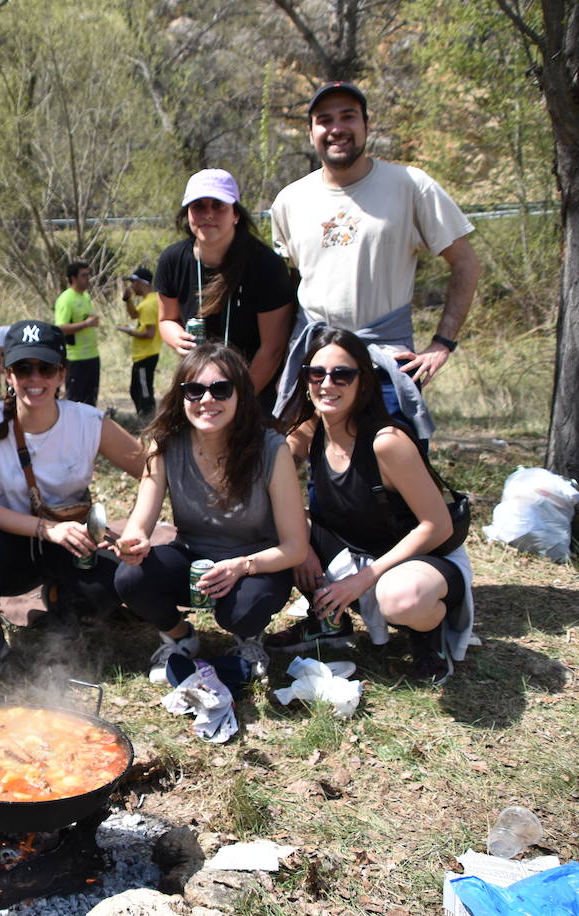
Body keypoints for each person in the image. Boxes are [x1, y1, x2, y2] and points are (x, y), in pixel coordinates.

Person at [270, 82, 482, 437]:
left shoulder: (411, 185)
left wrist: (441, 344)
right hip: (318, 368)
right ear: (311, 133)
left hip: (384, 361)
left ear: (366, 126)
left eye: (348, 117)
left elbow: (466, 264)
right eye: (324, 120)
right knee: (324, 479)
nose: (337, 128)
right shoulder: (289, 201)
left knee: (392, 474)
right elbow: (290, 285)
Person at [272, 328, 473, 684]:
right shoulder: (310, 430)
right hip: (352, 549)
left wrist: (364, 579)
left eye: (342, 374)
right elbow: (268, 482)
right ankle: (329, 623)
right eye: (316, 373)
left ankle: (429, 636)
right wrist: (299, 548)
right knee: (274, 523)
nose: (327, 383)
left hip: (416, 560)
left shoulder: (387, 442)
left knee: (401, 598)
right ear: (305, 380)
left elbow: (436, 525)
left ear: (363, 382)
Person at [0, 320, 144, 681]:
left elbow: (150, 470)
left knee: (115, 582)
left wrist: (137, 528)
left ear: (62, 374)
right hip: (10, 547)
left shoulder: (88, 422)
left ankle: (63, 614)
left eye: (46, 367)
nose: (34, 378)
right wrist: (47, 529)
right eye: (23, 368)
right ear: (8, 374)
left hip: (73, 541)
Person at [113, 344, 307, 683]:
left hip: (256, 564)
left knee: (243, 610)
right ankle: (180, 637)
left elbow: (295, 548)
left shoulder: (271, 449)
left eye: (221, 389)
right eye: (194, 390)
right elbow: (139, 524)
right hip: (194, 559)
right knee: (130, 578)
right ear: (181, 395)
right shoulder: (165, 445)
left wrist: (242, 567)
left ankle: (248, 638)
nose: (207, 400)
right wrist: (134, 542)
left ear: (241, 395)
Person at [155, 169, 294, 408]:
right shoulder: (172, 259)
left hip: (253, 392)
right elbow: (165, 319)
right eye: (198, 206)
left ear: (236, 215)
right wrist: (174, 337)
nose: (208, 214)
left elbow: (272, 349)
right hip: (197, 389)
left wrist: (238, 400)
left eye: (218, 206)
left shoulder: (265, 264)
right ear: (187, 214)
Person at [54, 261, 101, 405]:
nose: (88, 279)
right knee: (75, 400)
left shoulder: (85, 296)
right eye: (84, 275)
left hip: (92, 355)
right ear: (73, 278)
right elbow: (60, 328)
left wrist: (91, 321)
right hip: (75, 358)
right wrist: (86, 324)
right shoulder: (66, 299)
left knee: (91, 400)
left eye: (88, 275)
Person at [118, 266, 161, 419]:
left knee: (143, 391)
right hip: (144, 354)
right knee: (136, 389)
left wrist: (130, 332)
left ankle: (148, 420)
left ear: (142, 283)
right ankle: (145, 418)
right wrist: (128, 300)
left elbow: (149, 333)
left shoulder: (149, 304)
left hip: (146, 354)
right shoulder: (149, 301)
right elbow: (134, 315)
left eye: (133, 282)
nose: (131, 286)